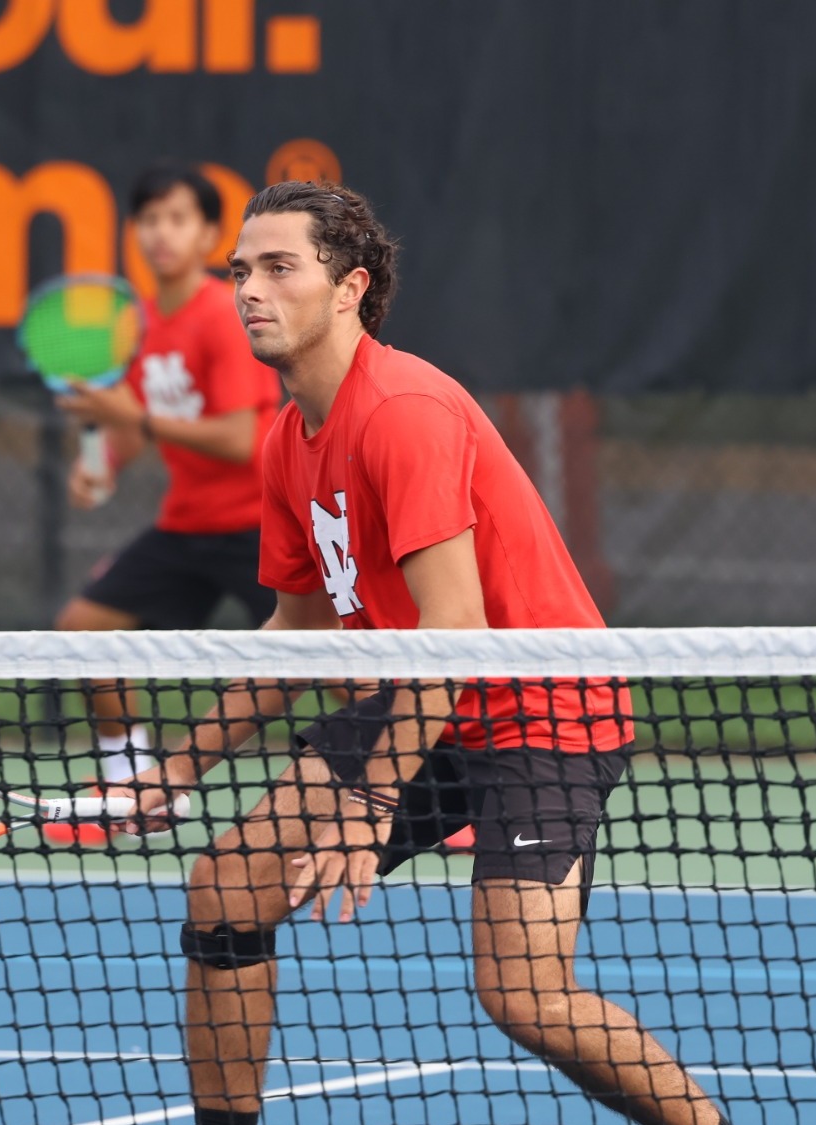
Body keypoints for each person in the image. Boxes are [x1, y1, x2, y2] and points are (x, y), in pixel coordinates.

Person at [109, 182, 729, 1125]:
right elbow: (297, 633)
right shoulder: (286, 443)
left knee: (524, 995)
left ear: (349, 287)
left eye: (279, 267)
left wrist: (368, 806)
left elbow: (457, 630)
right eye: (241, 271)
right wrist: (178, 769)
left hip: (541, 708)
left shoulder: (404, 412)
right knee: (227, 889)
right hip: (428, 700)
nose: (249, 291)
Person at [48, 163, 282, 844]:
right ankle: (134, 791)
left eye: (178, 219)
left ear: (209, 235)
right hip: (187, 525)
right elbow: (131, 425)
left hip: (264, 523)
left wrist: (137, 421)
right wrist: (101, 467)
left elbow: (242, 440)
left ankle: (436, 783)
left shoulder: (223, 316)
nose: (161, 233)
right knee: (83, 631)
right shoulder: (139, 325)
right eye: (149, 220)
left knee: (338, 667)